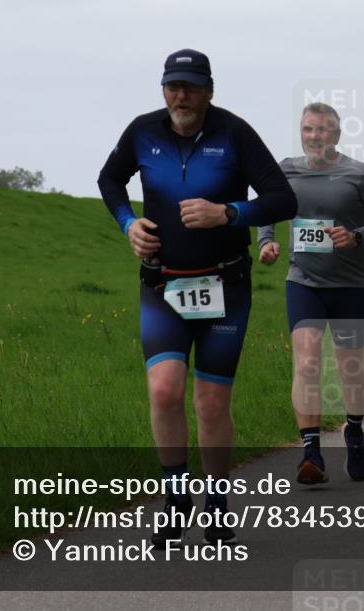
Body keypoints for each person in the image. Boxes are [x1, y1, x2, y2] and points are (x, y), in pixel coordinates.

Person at [97, 49, 297, 546]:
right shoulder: (143, 131)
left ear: (209, 90)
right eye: (172, 86)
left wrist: (226, 213)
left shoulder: (234, 133)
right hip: (162, 284)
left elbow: (282, 198)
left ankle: (217, 502)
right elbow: (109, 179)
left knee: (210, 403)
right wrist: (128, 224)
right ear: (163, 89)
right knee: (164, 391)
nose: (180, 96)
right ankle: (174, 497)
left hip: (225, 287)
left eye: (189, 86)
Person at [258, 103, 364, 485]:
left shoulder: (358, 174)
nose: (313, 136)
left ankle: (353, 432)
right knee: (306, 363)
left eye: (321, 130)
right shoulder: (285, 170)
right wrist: (267, 241)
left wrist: (357, 237)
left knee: (350, 368)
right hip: (303, 282)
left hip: (350, 286)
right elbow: (267, 207)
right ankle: (311, 452)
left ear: (336, 135)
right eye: (307, 129)